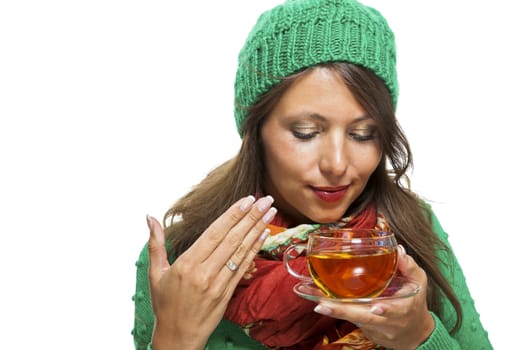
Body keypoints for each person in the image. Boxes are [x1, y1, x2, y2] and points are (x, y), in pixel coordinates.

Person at [132, 0, 493, 348]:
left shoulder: (413, 228)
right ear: (255, 131)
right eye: (305, 132)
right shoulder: (183, 259)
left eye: (363, 134)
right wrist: (174, 342)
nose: (337, 163)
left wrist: (422, 338)